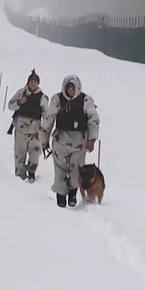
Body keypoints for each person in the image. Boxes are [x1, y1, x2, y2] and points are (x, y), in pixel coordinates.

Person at [40, 74, 100, 208]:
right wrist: (44, 140)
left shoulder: (86, 100)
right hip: (60, 141)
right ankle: (60, 197)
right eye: (68, 88)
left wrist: (92, 139)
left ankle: (72, 194)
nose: (70, 90)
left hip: (79, 143)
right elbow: (49, 120)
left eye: (73, 88)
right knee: (60, 171)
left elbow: (93, 119)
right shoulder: (57, 99)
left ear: (77, 87)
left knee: (76, 171)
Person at [7, 69, 49, 182]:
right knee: (19, 154)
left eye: (35, 81)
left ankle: (31, 172)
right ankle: (20, 177)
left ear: (38, 83)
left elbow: (47, 114)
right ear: (28, 82)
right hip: (21, 128)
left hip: (35, 130)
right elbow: (10, 105)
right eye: (31, 80)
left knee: (35, 154)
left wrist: (45, 129)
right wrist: (19, 103)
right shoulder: (21, 93)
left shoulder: (42, 97)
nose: (33, 83)